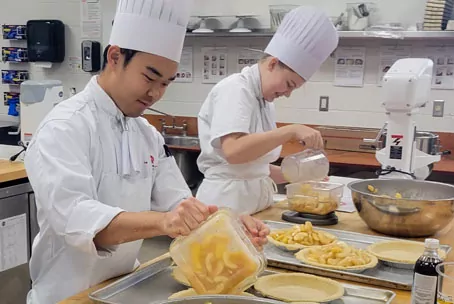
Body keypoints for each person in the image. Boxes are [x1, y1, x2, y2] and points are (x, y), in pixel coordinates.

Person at [24, 1, 268, 303]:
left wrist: (231, 226)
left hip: (122, 287)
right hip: (67, 295)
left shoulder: (146, 134)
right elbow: (76, 218)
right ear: (115, 57)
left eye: (165, 83)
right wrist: (162, 222)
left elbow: (179, 203)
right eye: (149, 78)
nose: (155, 93)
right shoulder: (64, 127)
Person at [196, 6, 339, 215]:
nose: (288, 93)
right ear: (273, 64)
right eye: (289, 84)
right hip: (225, 205)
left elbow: (255, 169)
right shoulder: (236, 89)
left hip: (255, 205)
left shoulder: (264, 101)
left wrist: (299, 174)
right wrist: (290, 131)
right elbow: (234, 152)